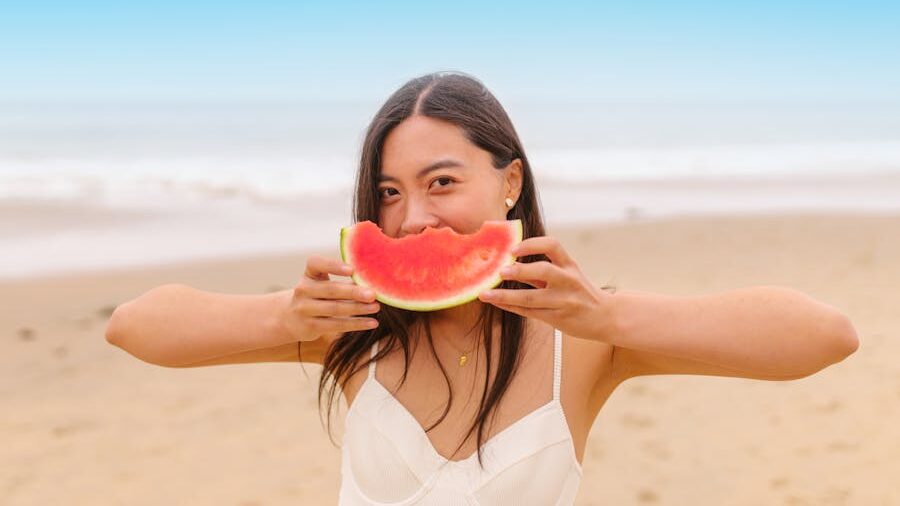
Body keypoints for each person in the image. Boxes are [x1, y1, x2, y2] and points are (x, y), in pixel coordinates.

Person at [106, 71, 860, 505]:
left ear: (509, 181)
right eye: (389, 193)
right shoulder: (354, 325)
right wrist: (278, 312)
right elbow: (135, 327)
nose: (413, 220)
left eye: (441, 182)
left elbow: (822, 337)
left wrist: (609, 311)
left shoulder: (588, 340)